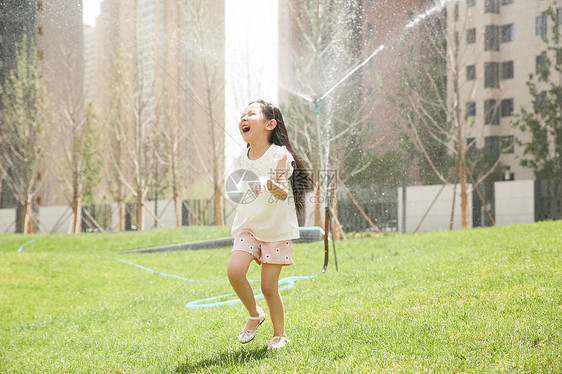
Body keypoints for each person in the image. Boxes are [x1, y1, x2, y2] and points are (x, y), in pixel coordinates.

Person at [227, 100, 312, 350]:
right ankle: (254, 314)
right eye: (242, 114)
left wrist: (268, 183)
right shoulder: (240, 158)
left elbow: (283, 192)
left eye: (250, 114)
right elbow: (243, 190)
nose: (244, 118)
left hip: (276, 230)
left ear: (269, 124)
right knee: (234, 271)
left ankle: (280, 335)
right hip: (248, 226)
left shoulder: (280, 154)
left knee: (268, 286)